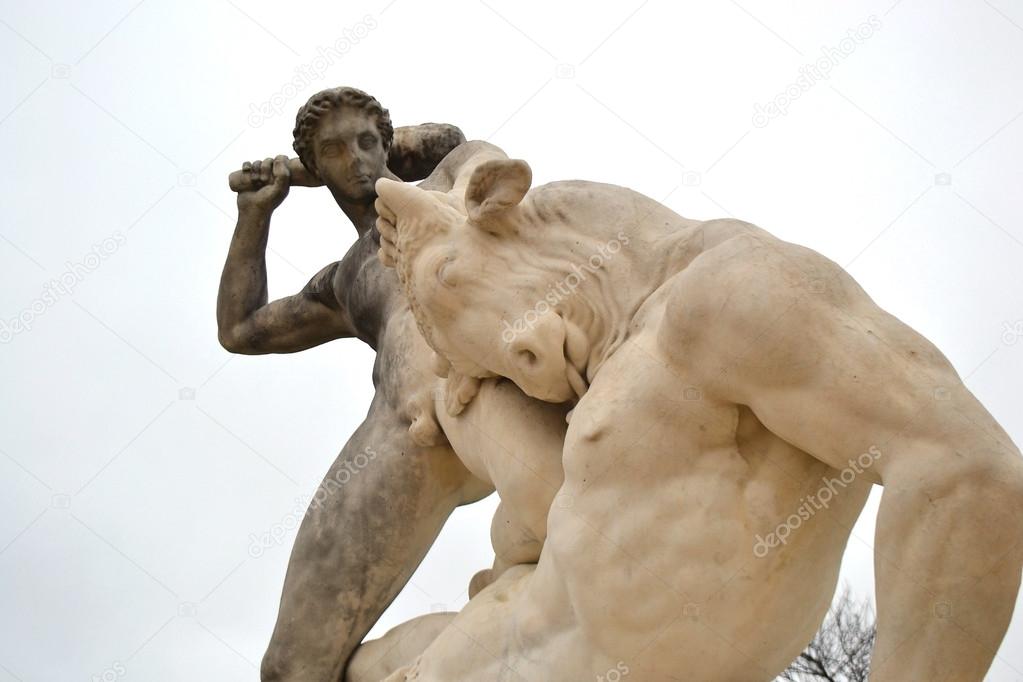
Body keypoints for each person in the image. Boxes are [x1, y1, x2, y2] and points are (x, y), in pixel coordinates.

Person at [218, 87, 568, 681]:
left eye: (367, 142)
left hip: (503, 378)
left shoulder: (446, 182)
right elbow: (241, 329)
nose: (355, 159)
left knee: (604, 546)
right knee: (289, 669)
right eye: (334, 150)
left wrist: (323, 164)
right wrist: (256, 213)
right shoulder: (344, 280)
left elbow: (451, 139)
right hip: (405, 428)